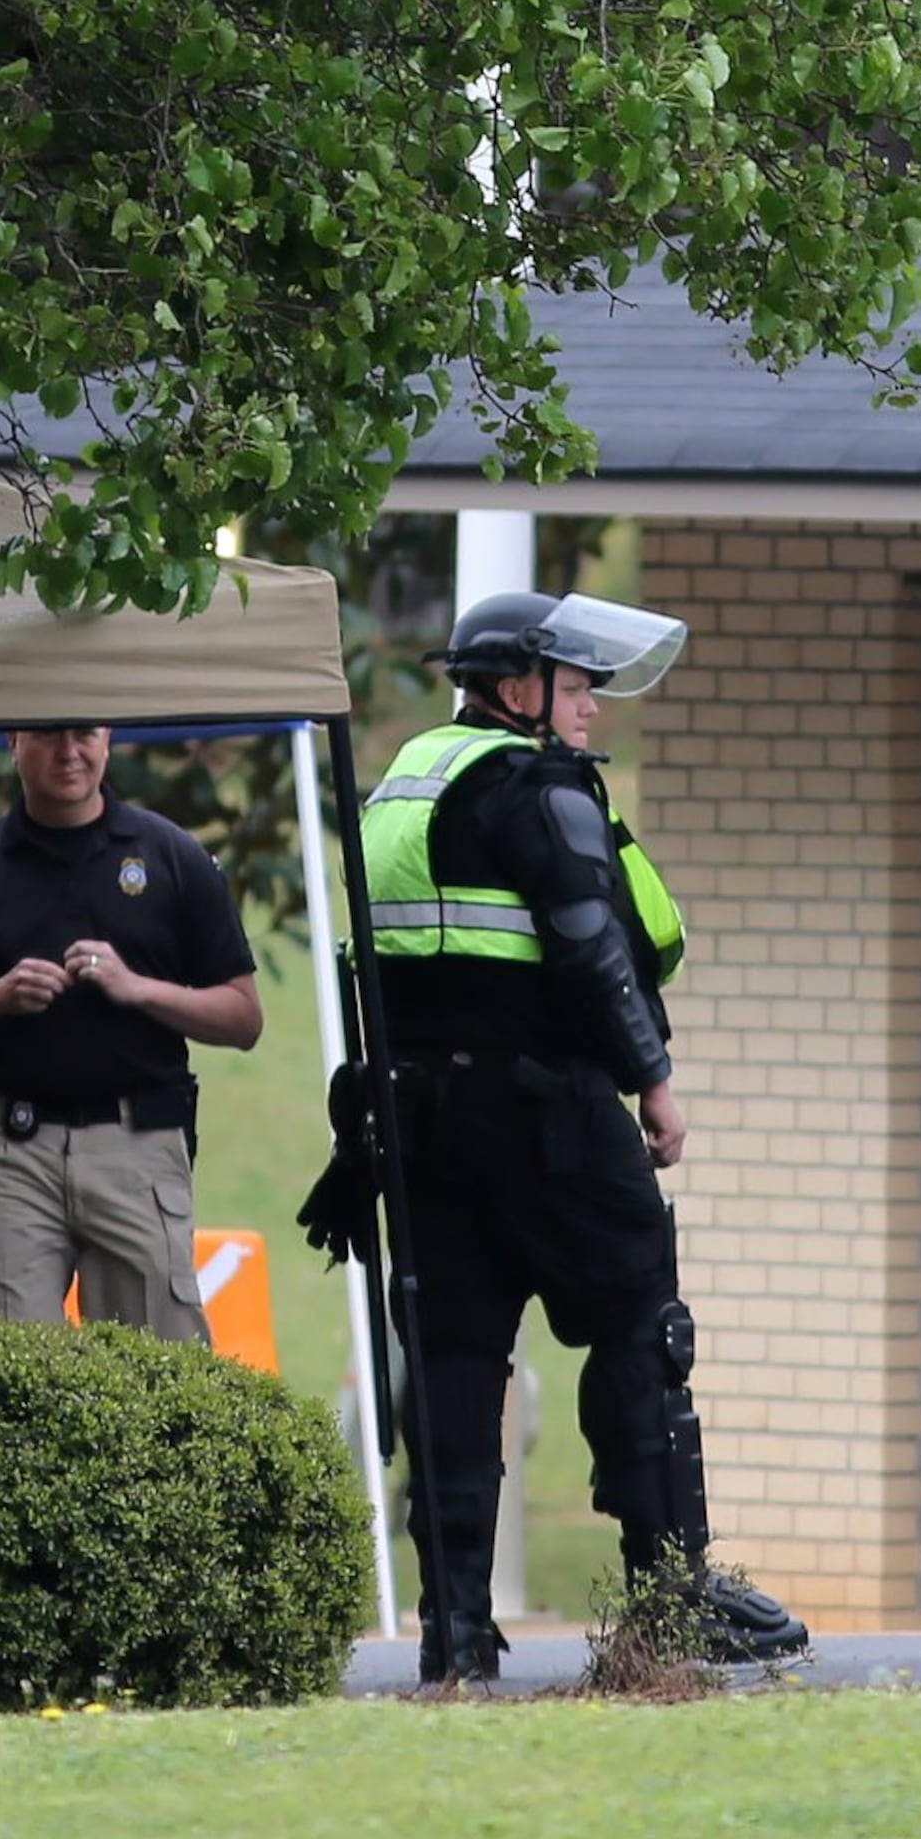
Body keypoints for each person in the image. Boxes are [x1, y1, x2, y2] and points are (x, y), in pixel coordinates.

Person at [336, 589, 808, 1683]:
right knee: (644, 1324)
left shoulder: (411, 776)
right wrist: (656, 1084)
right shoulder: (537, 787)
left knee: (454, 1364)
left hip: (425, 1124)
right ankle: (666, 1610)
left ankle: (456, 1641)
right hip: (546, 1115)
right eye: (577, 686)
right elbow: (594, 946)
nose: (591, 709)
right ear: (520, 692)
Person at [0, 721, 263, 1342]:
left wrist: (136, 988)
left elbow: (243, 1017)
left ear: (108, 741)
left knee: (157, 1374)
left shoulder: (170, 857)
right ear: (12, 743)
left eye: (85, 733)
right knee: (12, 1373)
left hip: (136, 1146)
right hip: (8, 1150)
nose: (69, 751)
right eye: (48, 734)